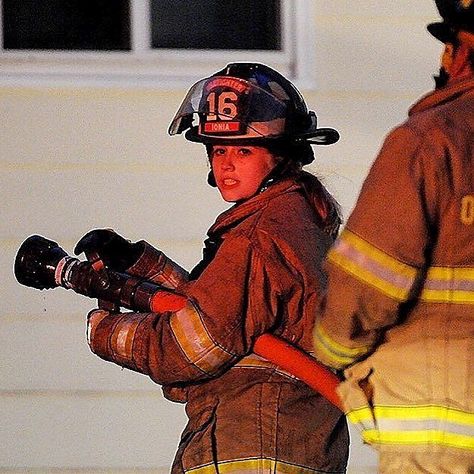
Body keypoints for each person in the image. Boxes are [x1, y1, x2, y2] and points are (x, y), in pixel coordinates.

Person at [75, 63, 349, 473]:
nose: (226, 165)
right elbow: (215, 303)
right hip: (295, 442)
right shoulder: (292, 221)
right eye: (218, 150)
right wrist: (137, 265)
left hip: (250, 442)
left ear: (279, 156)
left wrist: (105, 332)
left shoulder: (259, 236)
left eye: (243, 151)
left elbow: (197, 342)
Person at [312, 1, 474, 473]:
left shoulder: (430, 142)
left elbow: (367, 284)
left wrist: (333, 352)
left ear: (458, 52)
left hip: (440, 433)